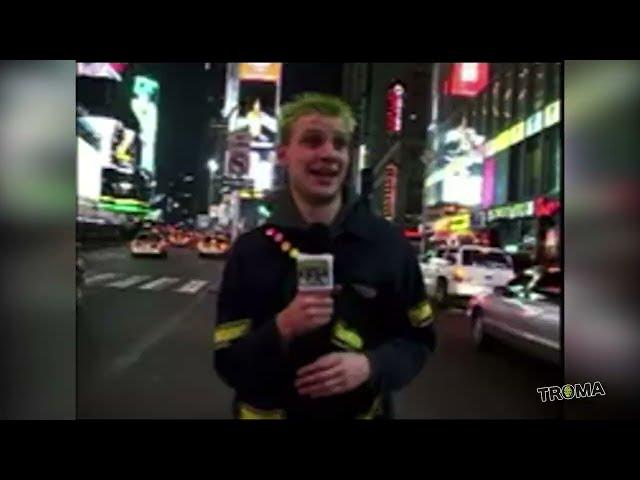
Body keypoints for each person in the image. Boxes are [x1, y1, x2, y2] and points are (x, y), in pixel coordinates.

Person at [213, 93, 436, 419]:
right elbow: (228, 363)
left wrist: (370, 366)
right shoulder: (250, 251)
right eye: (313, 141)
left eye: (340, 144)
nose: (329, 153)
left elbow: (418, 341)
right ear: (282, 155)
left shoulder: (389, 245)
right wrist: (282, 328)